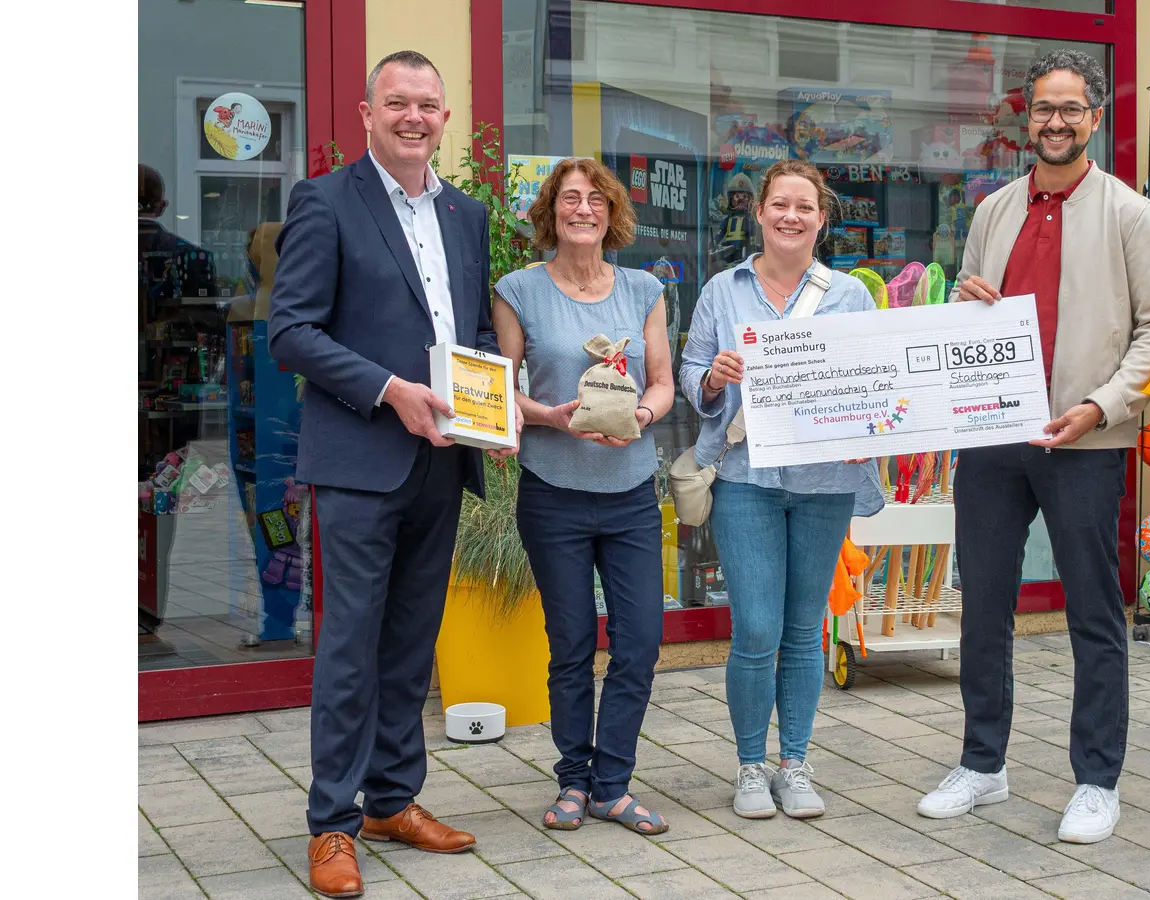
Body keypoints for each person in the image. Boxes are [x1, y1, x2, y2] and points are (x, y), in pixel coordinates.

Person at [915, 49, 1150, 845]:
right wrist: (970, 307)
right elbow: (970, 312)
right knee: (984, 607)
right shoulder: (995, 209)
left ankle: (1098, 780)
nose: (1055, 122)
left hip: (1086, 438)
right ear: (1025, 119)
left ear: (1094, 119)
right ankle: (982, 764)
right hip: (994, 435)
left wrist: (1101, 407)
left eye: (1071, 109)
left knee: (1094, 612)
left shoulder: (1130, 214)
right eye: (1043, 109)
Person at [267, 50, 518, 899]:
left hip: (444, 462)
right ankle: (331, 826)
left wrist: (498, 407)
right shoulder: (326, 200)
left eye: (429, 105)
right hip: (361, 457)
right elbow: (292, 331)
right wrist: (389, 391)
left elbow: (470, 329)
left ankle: (391, 800)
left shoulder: (468, 215)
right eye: (398, 103)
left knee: (412, 645)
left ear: (445, 119)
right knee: (350, 648)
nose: (415, 117)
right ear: (367, 113)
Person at [679, 159, 883, 820]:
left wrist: (868, 426)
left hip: (825, 484)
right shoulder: (722, 290)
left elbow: (873, 384)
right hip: (747, 479)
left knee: (803, 630)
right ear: (760, 213)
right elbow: (690, 372)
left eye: (805, 207)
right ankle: (748, 764)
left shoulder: (849, 295)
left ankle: (794, 762)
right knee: (756, 629)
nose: (791, 217)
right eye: (780, 205)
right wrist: (713, 378)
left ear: (821, 219)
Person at [490, 157, 675, 836]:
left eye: (596, 199)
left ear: (612, 212)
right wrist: (545, 417)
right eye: (570, 198)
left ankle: (612, 784)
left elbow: (661, 381)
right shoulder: (518, 290)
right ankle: (573, 780)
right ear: (551, 211)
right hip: (554, 493)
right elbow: (498, 390)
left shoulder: (644, 288)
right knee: (569, 642)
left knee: (640, 643)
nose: (583, 210)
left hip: (629, 492)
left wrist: (643, 420)